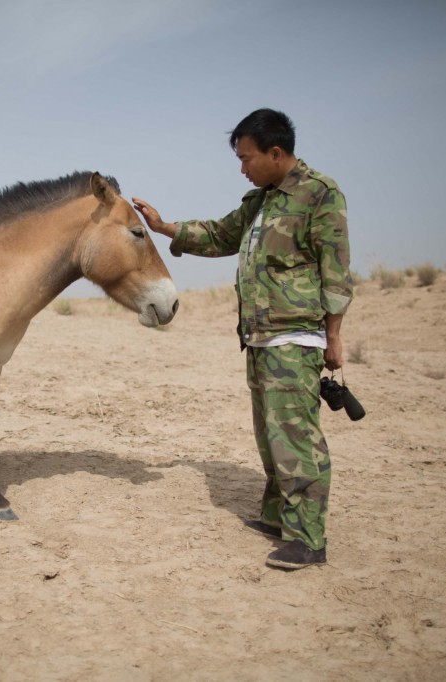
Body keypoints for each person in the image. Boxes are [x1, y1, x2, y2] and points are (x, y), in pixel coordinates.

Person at [132, 108, 353, 570]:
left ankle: (309, 539)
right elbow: (220, 234)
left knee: (296, 439)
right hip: (259, 338)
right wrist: (166, 226)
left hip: (295, 338)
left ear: (276, 153)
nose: (242, 167)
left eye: (247, 158)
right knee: (270, 437)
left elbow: (336, 271)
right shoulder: (260, 202)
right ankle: (277, 518)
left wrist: (333, 337)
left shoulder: (320, 195)